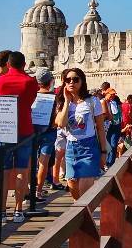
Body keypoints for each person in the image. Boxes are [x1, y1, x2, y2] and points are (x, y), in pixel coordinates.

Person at [0, 50, 39, 223]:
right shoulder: (30, 82)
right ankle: (19, 210)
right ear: (24, 64)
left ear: (8, 64)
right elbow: (31, 101)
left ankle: (2, 210)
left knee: (3, 172)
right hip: (25, 128)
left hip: (3, 129)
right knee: (22, 171)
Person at [53, 67, 108, 198]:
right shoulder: (62, 102)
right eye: (68, 80)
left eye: (75, 79)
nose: (71, 82)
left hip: (89, 147)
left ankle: (84, 216)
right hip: (71, 147)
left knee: (84, 188)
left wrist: (104, 151)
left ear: (82, 81)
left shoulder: (92, 101)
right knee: (72, 185)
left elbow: (100, 128)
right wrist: (66, 101)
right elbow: (60, 124)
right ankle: (82, 214)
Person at [33, 69, 58, 198]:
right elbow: (55, 116)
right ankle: (38, 191)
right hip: (48, 132)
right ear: (50, 81)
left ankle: (29, 190)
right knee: (43, 162)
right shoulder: (53, 97)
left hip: (33, 131)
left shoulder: (33, 95)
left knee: (30, 162)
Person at [103, 87, 123, 168]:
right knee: (108, 145)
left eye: (114, 94)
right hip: (108, 126)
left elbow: (117, 114)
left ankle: (110, 163)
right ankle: (107, 163)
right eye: (111, 94)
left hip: (115, 125)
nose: (113, 96)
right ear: (107, 94)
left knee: (113, 145)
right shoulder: (104, 102)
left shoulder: (114, 103)